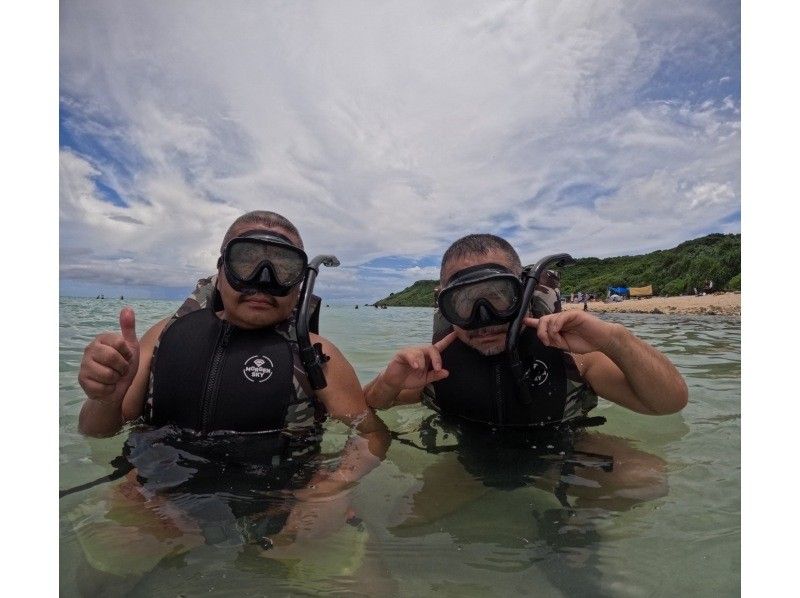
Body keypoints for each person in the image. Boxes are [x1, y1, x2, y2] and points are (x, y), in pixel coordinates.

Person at [75, 211, 389, 582]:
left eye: (282, 268)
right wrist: (104, 396)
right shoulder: (165, 337)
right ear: (221, 269)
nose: (263, 282)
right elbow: (97, 431)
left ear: (299, 283)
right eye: (247, 262)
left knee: (369, 586)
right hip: (159, 497)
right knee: (92, 578)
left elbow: (372, 434)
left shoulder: (317, 356)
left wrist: (332, 488)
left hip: (282, 503)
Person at [364, 233, 687, 421]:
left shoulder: (571, 353)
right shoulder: (437, 367)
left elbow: (667, 404)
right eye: (465, 302)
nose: (484, 318)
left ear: (522, 294)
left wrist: (616, 339)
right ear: (445, 305)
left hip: (559, 454)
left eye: (498, 297)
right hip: (468, 460)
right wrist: (390, 381)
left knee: (643, 478)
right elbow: (374, 404)